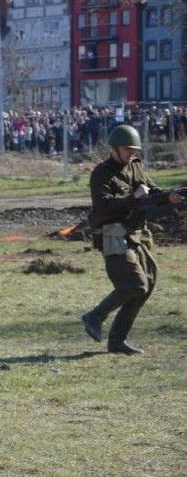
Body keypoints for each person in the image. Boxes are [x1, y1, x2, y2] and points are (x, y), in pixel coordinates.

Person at [82, 125, 182, 354]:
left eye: (134, 150)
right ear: (115, 149)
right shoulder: (102, 174)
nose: (131, 154)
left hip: (136, 234)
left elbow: (151, 191)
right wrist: (133, 197)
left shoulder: (136, 166)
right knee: (135, 284)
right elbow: (104, 205)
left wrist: (169, 197)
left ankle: (117, 341)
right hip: (114, 235)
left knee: (148, 283)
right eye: (128, 149)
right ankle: (95, 316)